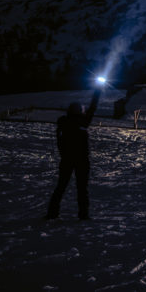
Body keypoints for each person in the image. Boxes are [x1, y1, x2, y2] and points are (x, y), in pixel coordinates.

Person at [46, 86, 102, 220]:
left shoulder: (64, 123)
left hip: (67, 159)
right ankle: (83, 214)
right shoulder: (82, 122)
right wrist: (97, 92)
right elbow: (92, 108)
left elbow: (59, 142)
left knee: (61, 186)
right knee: (82, 188)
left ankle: (52, 213)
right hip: (81, 160)